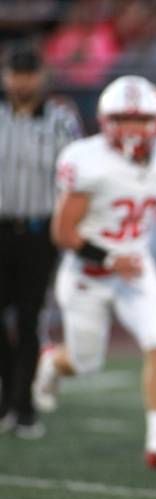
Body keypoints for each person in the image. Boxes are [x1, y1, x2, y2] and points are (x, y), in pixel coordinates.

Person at [33, 75, 156, 468]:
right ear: (105, 120)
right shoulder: (86, 160)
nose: (132, 128)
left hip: (136, 269)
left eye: (140, 118)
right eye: (123, 118)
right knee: (83, 363)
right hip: (88, 272)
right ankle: (52, 363)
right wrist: (108, 258)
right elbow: (63, 232)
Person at [0, 42, 82, 438]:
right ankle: (7, 401)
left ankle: (24, 406)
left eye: (28, 72)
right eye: (15, 72)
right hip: (1, 228)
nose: (21, 80)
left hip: (39, 232)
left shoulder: (61, 120)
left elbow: (77, 178)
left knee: (31, 318)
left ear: (41, 76)